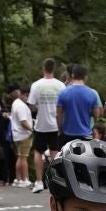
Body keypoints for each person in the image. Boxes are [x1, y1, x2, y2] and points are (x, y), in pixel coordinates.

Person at [27, 59, 66, 191]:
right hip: (56, 125)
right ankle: (56, 180)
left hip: (41, 124)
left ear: (43, 68)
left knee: (38, 151)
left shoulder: (36, 85)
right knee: (55, 152)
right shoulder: (60, 85)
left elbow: (31, 104)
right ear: (54, 69)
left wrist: (38, 107)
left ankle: (39, 182)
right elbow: (64, 105)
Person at [56, 63, 101, 146]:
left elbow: (59, 115)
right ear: (85, 77)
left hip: (67, 133)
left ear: (72, 75)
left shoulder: (63, 93)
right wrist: (94, 130)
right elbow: (96, 115)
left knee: (68, 158)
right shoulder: (92, 94)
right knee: (85, 158)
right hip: (86, 134)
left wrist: (60, 130)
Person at [8, 85, 34, 187]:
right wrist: (32, 129)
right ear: (24, 95)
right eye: (28, 96)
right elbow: (23, 122)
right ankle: (24, 179)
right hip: (24, 134)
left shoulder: (16, 103)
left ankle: (18, 178)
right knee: (23, 157)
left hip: (17, 134)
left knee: (20, 156)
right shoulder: (21, 106)